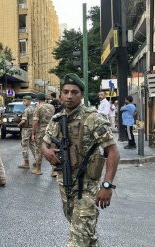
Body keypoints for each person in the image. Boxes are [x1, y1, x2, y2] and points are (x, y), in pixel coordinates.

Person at [42, 73, 120, 246]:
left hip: (87, 189)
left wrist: (107, 185)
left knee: (77, 240)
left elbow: (113, 152)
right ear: (61, 94)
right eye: (66, 92)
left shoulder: (93, 118)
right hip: (66, 185)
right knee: (85, 235)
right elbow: (44, 143)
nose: (69, 96)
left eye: (74, 92)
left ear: (82, 94)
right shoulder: (57, 119)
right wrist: (46, 152)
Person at [32, 92, 55, 176]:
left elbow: (35, 122)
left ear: (38, 100)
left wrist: (33, 133)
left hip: (41, 131)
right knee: (51, 149)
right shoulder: (52, 107)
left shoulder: (38, 108)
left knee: (38, 149)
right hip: (51, 130)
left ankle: (38, 169)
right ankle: (54, 170)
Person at [17, 96, 36, 169]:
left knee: (24, 146)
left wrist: (19, 125)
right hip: (31, 128)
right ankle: (37, 161)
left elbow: (24, 120)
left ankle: (26, 162)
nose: (23, 102)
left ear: (29, 101)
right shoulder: (33, 109)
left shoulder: (26, 110)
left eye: (25, 101)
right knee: (32, 145)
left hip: (26, 129)